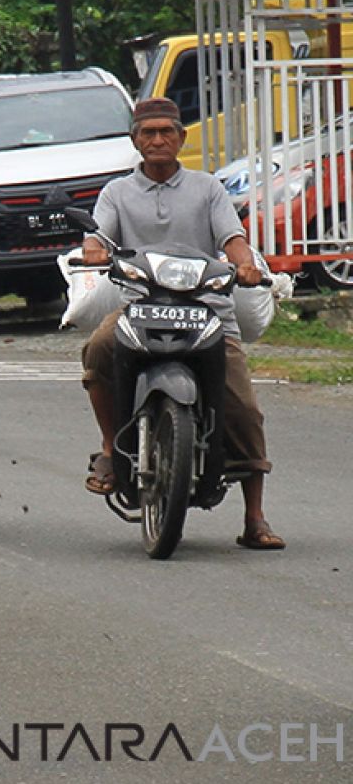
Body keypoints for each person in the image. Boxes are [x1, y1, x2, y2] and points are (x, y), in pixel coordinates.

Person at [79, 97, 284, 550]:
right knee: (98, 348)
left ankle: (255, 517)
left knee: (244, 410)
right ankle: (112, 450)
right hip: (140, 305)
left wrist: (244, 264)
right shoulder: (117, 193)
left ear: (181, 138)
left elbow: (233, 238)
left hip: (209, 310)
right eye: (148, 133)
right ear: (135, 141)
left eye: (165, 132)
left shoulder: (208, 188)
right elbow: (98, 235)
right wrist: (94, 251)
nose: (157, 140)